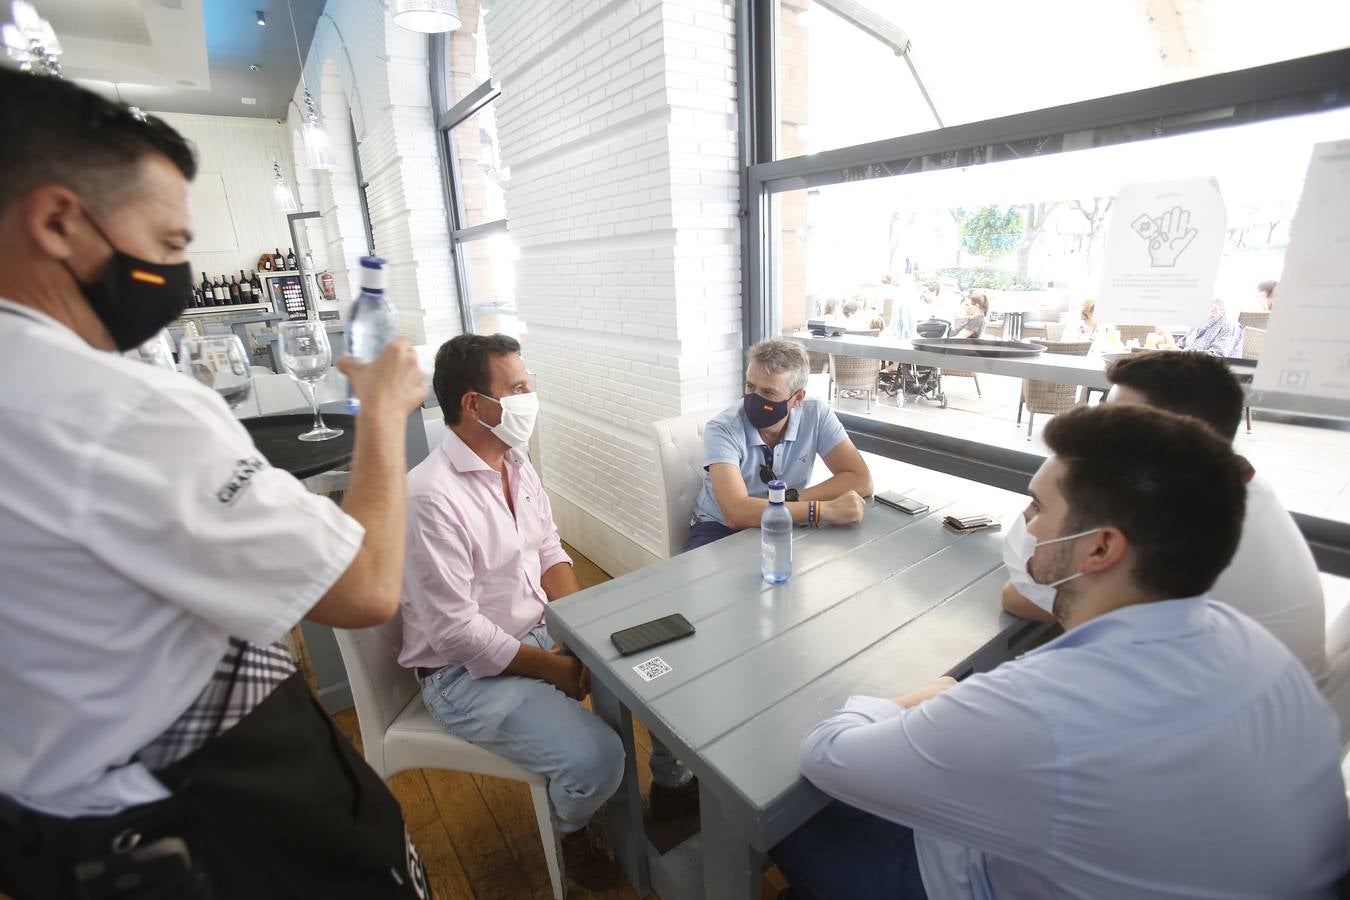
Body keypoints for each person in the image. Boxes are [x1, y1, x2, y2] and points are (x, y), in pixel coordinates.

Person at [0, 69, 432, 898]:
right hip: (206, 816)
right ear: (59, 219)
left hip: (53, 825)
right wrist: (379, 411)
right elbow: (368, 587)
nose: (178, 273)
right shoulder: (112, 405)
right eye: (166, 245)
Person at [770, 404, 1348, 899]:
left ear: (1100, 546)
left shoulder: (1037, 709)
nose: (1027, 522)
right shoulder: (1254, 646)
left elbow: (828, 752)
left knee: (786, 820)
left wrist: (942, 692)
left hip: (973, 879)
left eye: (1040, 507)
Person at [398, 334, 696, 891]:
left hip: (536, 631)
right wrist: (556, 668)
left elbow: (549, 551)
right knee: (599, 761)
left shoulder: (515, 464)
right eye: (517, 388)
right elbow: (458, 634)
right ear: (473, 404)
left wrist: (585, 632)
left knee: (664, 670)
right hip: (460, 676)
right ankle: (571, 828)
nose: (530, 396)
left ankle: (675, 788)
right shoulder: (430, 497)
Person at [1004, 350, 1328, 685]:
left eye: (1121, 424)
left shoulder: (1185, 525)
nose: (1098, 433)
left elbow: (1022, 599)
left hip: (1231, 721)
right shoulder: (1229, 487)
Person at [686, 339, 870, 551]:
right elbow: (736, 512)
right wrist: (820, 510)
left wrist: (790, 499)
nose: (755, 399)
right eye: (750, 386)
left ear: (798, 397)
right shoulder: (722, 428)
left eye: (768, 393)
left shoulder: (816, 414)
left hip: (786, 518)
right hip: (719, 528)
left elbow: (861, 479)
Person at [1154, 299, 1242, 356]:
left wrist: (1179, 352)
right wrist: (1168, 343)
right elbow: (1182, 345)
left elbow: (1217, 357)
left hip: (1214, 374)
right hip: (1192, 367)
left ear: (1213, 310)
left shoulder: (1229, 325)